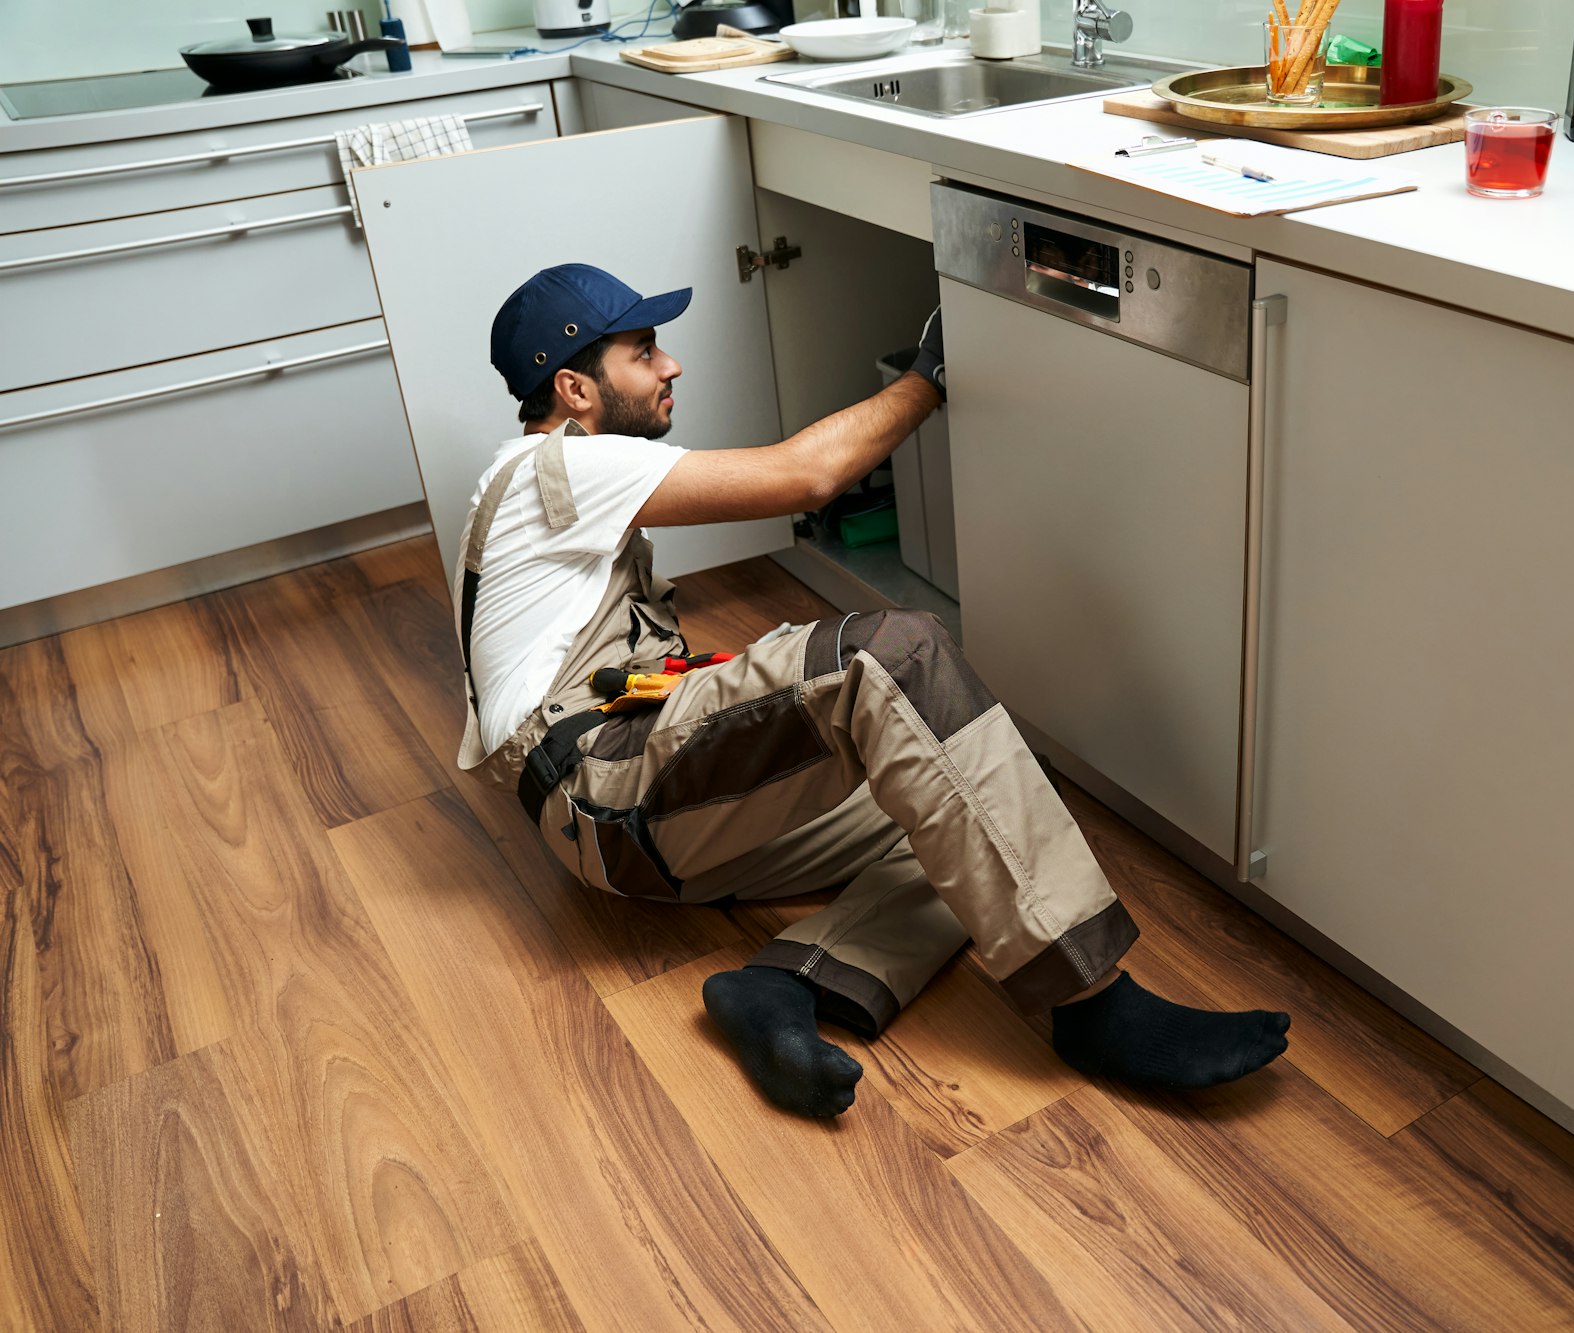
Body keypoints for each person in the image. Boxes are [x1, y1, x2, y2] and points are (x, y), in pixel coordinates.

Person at [456, 262, 1290, 1117]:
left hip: (620, 822)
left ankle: (787, 986)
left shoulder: (533, 486)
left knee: (964, 786)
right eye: (643, 352)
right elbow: (805, 476)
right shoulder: (554, 469)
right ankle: (1091, 1005)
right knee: (898, 654)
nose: (671, 365)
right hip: (608, 796)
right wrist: (926, 376)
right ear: (574, 388)